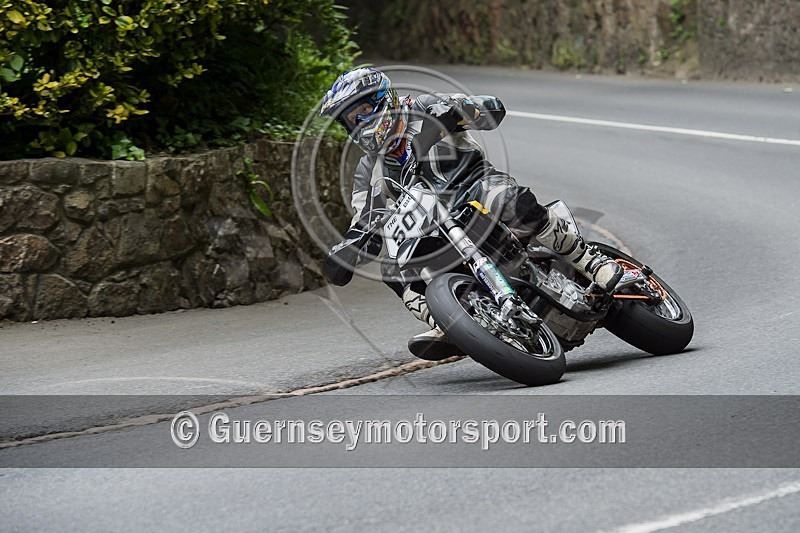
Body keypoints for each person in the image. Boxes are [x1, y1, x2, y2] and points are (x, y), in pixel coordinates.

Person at [319, 67, 622, 360]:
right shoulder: (367, 171)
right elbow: (365, 220)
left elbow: (491, 110)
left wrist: (456, 111)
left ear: (382, 101)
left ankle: (592, 263)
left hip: (475, 188)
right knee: (391, 268)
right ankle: (446, 323)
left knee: (506, 199)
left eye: (361, 114)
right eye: (350, 121)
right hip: (432, 226)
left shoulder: (423, 107)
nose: (358, 124)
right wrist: (348, 249)